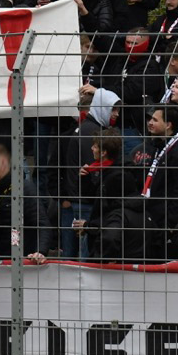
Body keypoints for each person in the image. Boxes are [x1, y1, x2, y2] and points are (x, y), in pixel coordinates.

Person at [60, 88, 120, 259]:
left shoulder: (87, 128)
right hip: (87, 201)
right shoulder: (91, 133)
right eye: (112, 109)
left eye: (117, 110)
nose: (116, 114)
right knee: (87, 252)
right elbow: (94, 171)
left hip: (82, 198)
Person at [133, 106, 178, 246]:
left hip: (166, 226)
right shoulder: (157, 146)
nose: (150, 122)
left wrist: (170, 225)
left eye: (155, 120)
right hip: (152, 218)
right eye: (150, 119)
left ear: (168, 125)